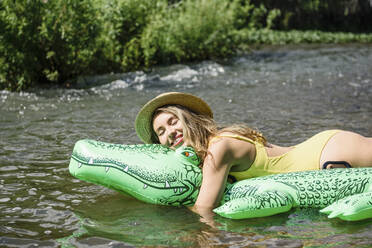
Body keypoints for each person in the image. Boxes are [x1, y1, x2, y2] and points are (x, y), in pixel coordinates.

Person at [135, 92, 372, 218]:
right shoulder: (210, 151)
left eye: (172, 122)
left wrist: (169, 220)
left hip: (328, 154)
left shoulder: (218, 148)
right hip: (322, 156)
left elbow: (204, 209)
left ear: (188, 119)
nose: (169, 133)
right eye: (161, 132)